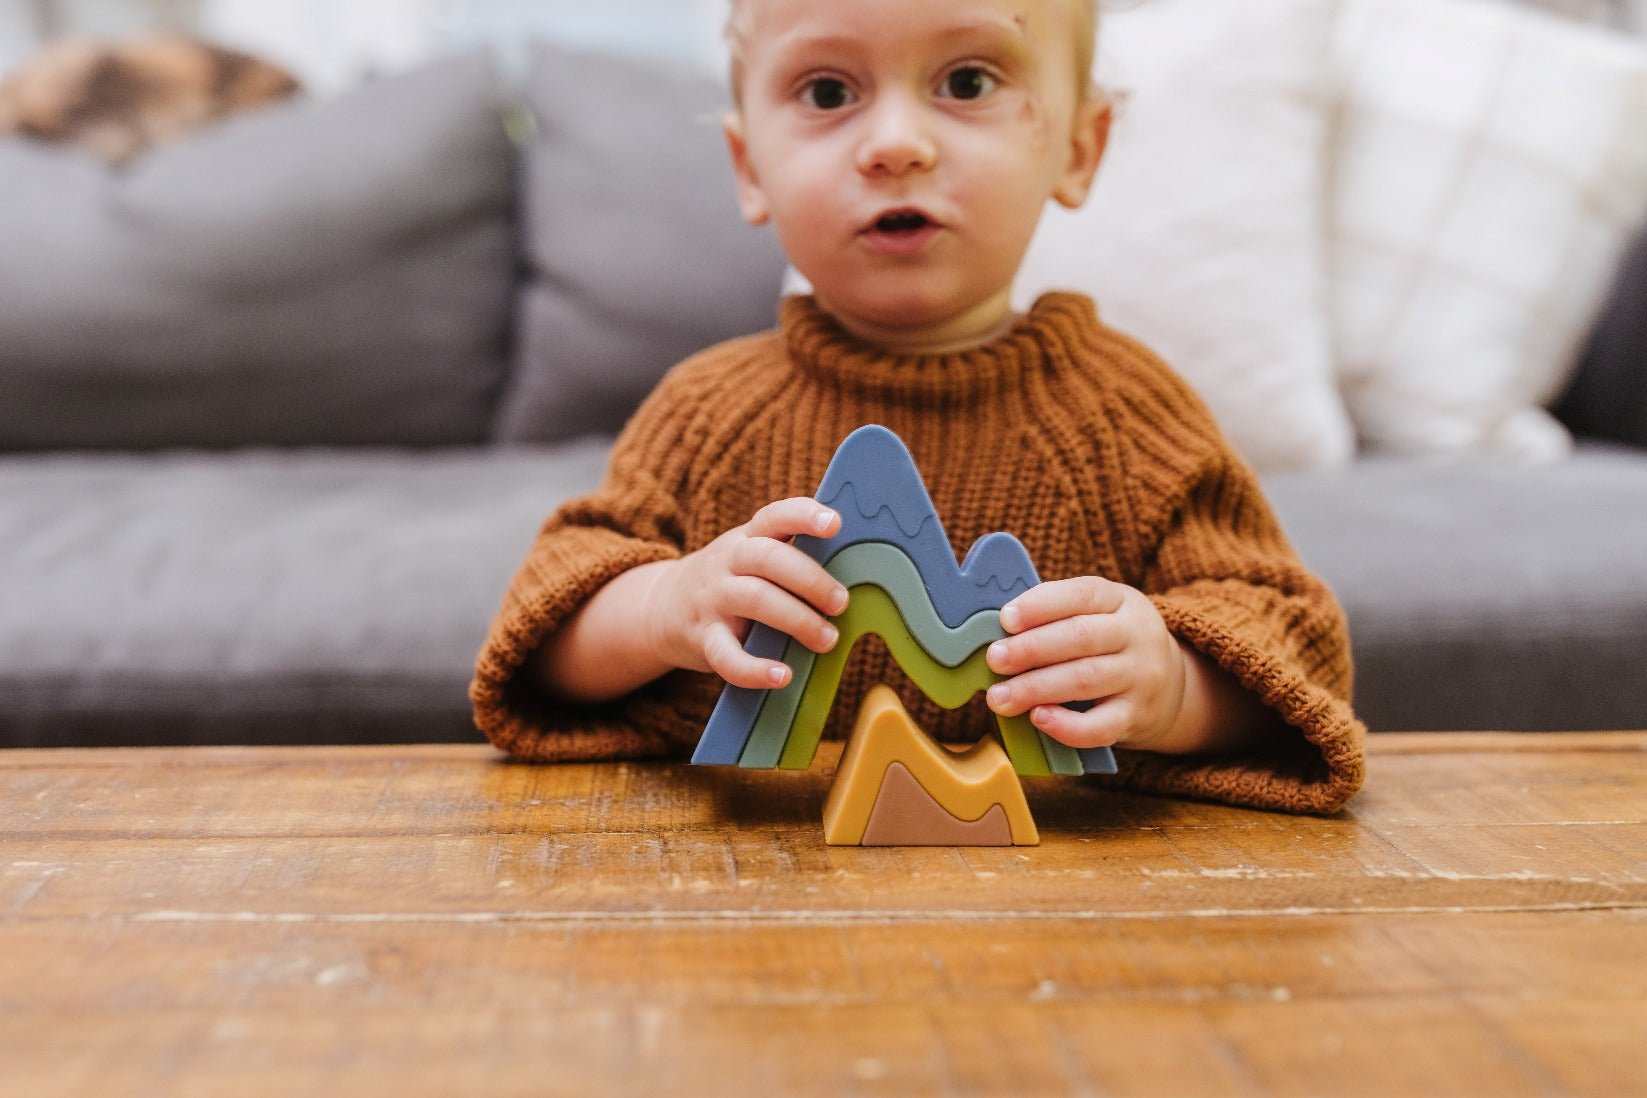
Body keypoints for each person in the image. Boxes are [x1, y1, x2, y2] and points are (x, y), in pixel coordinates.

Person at [470, 0, 1366, 814]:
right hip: (751, 899)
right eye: (828, 90)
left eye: (966, 81)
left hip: (1064, 909)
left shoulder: (1131, 415)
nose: (895, 143)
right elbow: (541, 638)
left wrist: (1174, 686)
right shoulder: (705, 410)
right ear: (750, 168)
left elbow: (1292, 649)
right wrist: (663, 604)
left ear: (1079, 149)